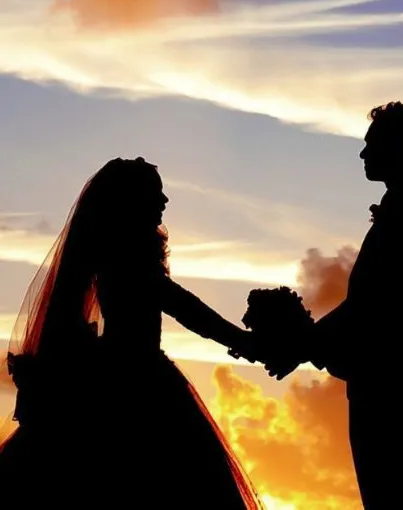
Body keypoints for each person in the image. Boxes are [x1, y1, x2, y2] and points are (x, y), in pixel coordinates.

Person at [0, 157, 262, 508]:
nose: (164, 202)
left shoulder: (122, 253)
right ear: (131, 201)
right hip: (136, 385)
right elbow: (182, 306)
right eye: (156, 194)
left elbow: (183, 306)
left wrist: (242, 341)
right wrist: (243, 341)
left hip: (124, 376)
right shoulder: (126, 256)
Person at [265, 102, 402, 509]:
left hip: (386, 391)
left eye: (371, 145)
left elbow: (372, 308)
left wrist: (303, 342)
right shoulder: (393, 213)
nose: (362, 154)